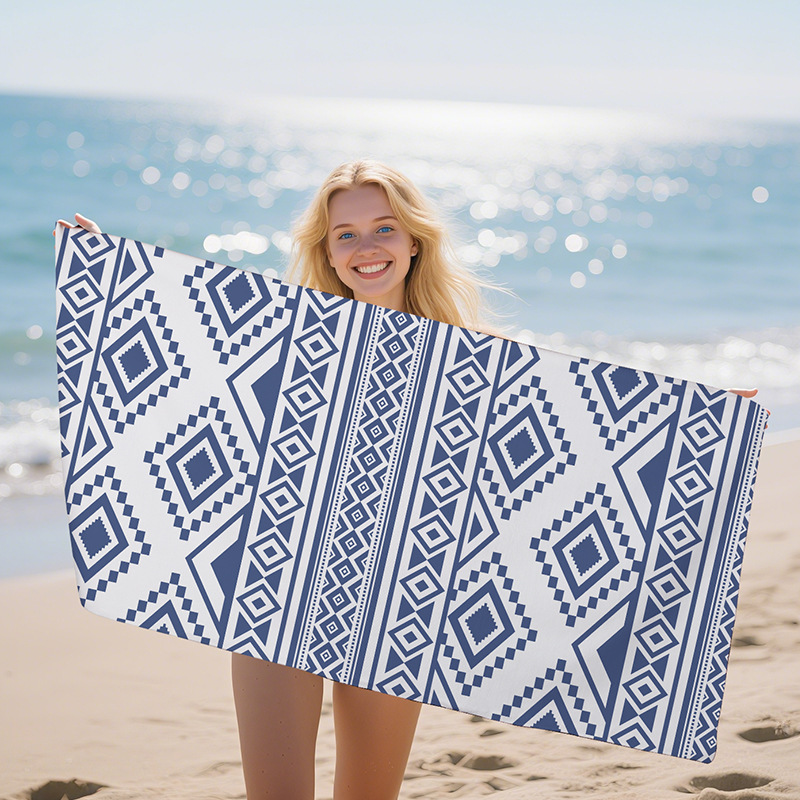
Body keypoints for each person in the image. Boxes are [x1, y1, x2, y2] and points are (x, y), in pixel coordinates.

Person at [55, 159, 763, 800]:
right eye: (347, 235)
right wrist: (103, 272)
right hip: (277, 593)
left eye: (384, 228)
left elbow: (587, 432)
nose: (367, 248)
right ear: (326, 252)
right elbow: (188, 362)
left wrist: (705, 427)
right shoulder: (289, 338)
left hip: (399, 606)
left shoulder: (476, 358)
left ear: (415, 239)